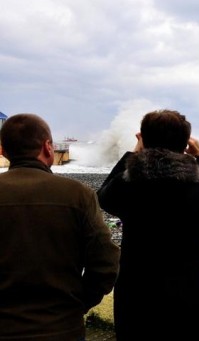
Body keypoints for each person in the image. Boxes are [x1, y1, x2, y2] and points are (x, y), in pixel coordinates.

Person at [97, 109, 199, 340]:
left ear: (143, 140)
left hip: (137, 290)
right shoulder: (197, 187)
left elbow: (104, 195)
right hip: (188, 291)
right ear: (185, 146)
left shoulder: (128, 186)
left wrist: (133, 153)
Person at [0, 113, 120, 341]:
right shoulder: (77, 195)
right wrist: (79, 303)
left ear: (3, 150)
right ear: (47, 148)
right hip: (61, 328)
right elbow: (106, 263)